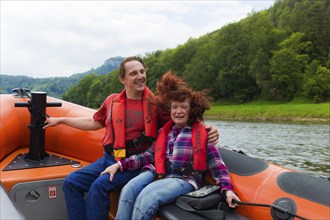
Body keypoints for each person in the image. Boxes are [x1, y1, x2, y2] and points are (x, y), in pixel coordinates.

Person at [43, 56, 219, 220]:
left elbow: (186, 119)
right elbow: (94, 122)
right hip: (109, 159)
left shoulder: (156, 105)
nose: (140, 76)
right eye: (134, 73)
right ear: (123, 79)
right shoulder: (112, 101)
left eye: (142, 72)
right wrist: (61, 120)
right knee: (71, 182)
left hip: (134, 164)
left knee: (99, 186)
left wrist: (209, 132)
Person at [102, 71, 240, 220]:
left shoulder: (203, 134)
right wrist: (119, 165)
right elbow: (148, 156)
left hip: (183, 179)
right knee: (129, 189)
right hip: (159, 173)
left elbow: (218, 166)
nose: (178, 111)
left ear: (191, 110)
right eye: (174, 107)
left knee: (147, 197)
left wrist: (228, 190)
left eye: (183, 107)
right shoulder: (164, 132)